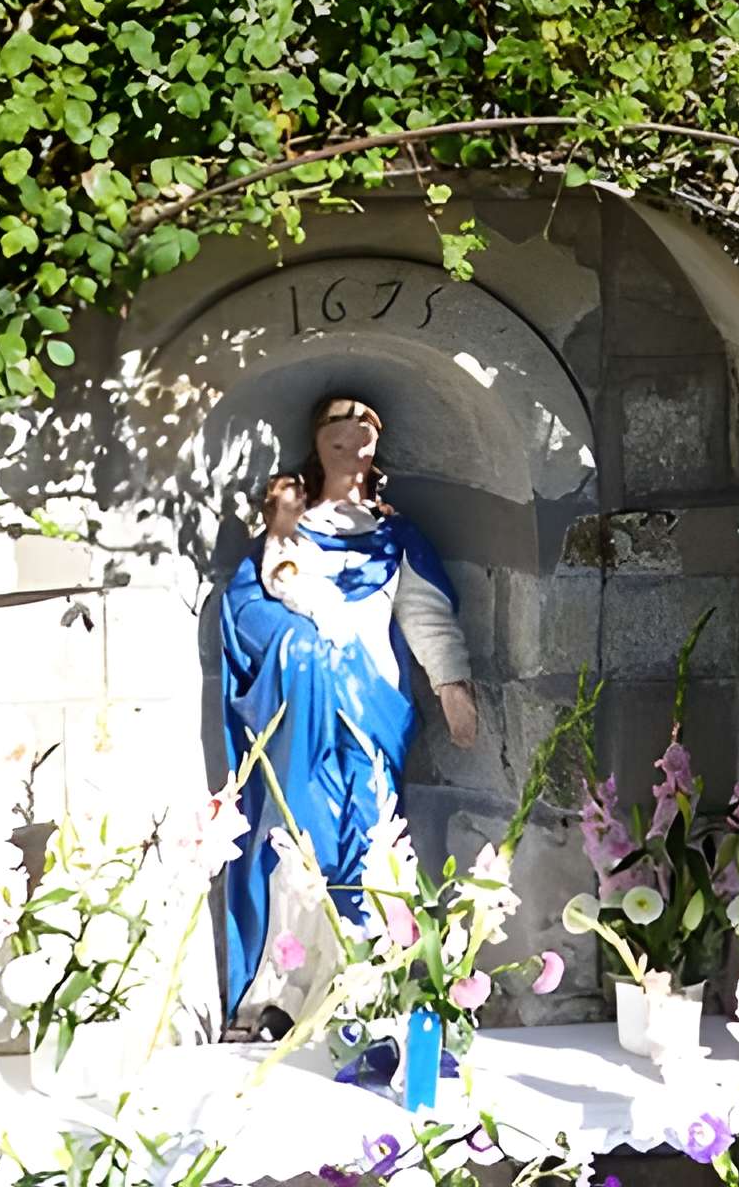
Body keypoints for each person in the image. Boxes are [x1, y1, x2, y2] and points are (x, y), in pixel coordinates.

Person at [219, 393, 476, 1032]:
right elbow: (278, 575)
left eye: (360, 431)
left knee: (373, 835)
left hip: (374, 705)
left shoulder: (396, 535)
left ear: (374, 446)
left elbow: (424, 614)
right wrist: (321, 617)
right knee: (298, 836)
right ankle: (284, 990)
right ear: (318, 442)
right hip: (307, 706)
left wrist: (451, 686)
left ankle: (365, 985)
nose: (348, 441)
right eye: (336, 430)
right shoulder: (292, 513)